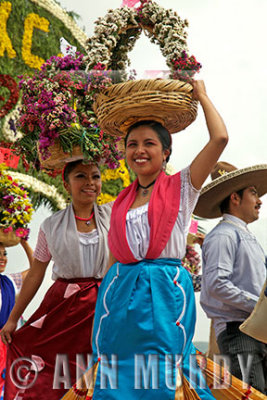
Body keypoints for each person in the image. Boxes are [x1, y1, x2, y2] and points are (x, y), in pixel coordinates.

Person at [83, 80, 228, 399]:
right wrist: (105, 292)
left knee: (163, 370)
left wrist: (202, 95)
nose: (139, 150)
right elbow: (114, 255)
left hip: (163, 290)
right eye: (132, 144)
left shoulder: (183, 187)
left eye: (149, 143)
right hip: (119, 292)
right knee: (113, 368)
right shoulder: (120, 201)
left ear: (165, 152)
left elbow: (220, 138)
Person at [1, 160, 112, 400]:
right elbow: (36, 274)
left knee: (102, 373)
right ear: (66, 183)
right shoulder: (50, 227)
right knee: (56, 374)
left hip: (105, 306)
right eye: (81, 176)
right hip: (65, 308)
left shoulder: (114, 215)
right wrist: (12, 319)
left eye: (95, 176)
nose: (90, 183)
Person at [194, 161, 267, 394]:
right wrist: (258, 306)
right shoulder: (223, 235)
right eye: (253, 193)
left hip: (253, 330)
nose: (259, 200)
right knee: (251, 392)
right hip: (239, 331)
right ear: (235, 198)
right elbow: (216, 285)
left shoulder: (243, 236)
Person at [0, 240, 33, 399]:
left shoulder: (9, 283)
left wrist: (23, 241)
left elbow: (36, 269)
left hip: (4, 351)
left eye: (5, 254)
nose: (3, 258)